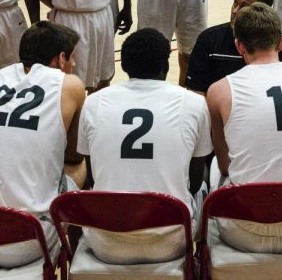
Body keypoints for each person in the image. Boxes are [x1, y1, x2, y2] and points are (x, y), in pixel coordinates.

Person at [0, 21, 86, 268]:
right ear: (61, 58)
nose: (74, 65)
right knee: (81, 167)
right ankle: (77, 257)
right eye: (73, 58)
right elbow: (73, 155)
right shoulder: (70, 84)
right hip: (24, 241)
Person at [77, 28, 212, 264]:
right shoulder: (194, 103)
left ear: (125, 66)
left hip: (106, 243)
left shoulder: (94, 102)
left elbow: (92, 177)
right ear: (165, 66)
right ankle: (200, 264)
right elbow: (195, 179)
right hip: (170, 240)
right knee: (207, 184)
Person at [206, 3, 282, 253]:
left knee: (217, 165)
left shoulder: (219, 90)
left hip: (245, 229)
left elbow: (226, 165)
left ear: (239, 46)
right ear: (281, 42)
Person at [186, 0, 282, 95]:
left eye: (244, 7)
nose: (235, 11)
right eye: (235, 3)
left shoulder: (279, 44)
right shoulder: (208, 39)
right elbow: (196, 92)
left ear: (262, 11)